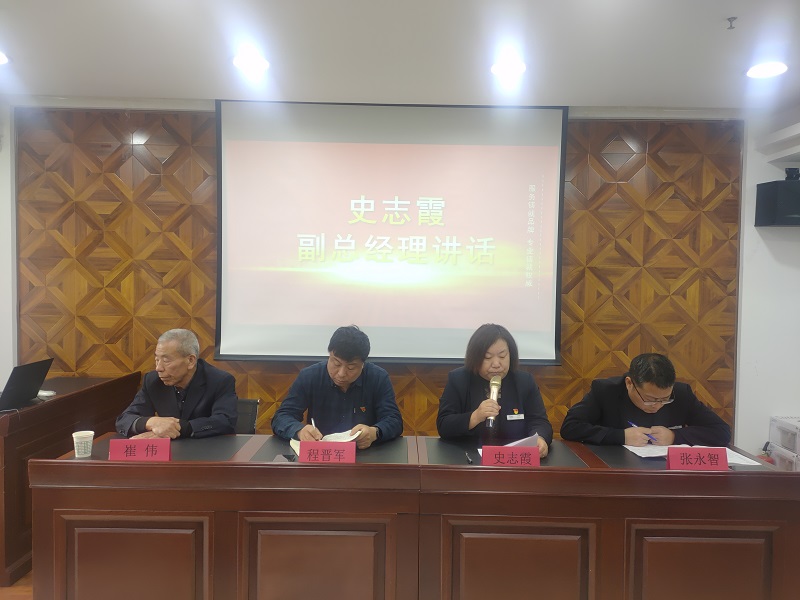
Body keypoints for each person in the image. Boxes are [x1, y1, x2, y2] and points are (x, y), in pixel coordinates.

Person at [271, 325, 402, 449]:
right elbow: (282, 417)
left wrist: (375, 432)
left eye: (351, 367)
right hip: (322, 453)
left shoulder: (378, 378)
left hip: (364, 453)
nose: (341, 374)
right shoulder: (309, 376)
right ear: (329, 355)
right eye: (336, 364)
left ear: (363, 364)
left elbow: (394, 420)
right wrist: (299, 430)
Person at [560, 352, 731, 446]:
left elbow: (721, 431)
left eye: (665, 399)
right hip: (615, 471)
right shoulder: (606, 391)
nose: (657, 406)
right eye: (650, 399)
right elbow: (570, 427)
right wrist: (620, 436)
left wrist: (674, 436)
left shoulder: (682, 394)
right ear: (629, 383)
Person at [436, 323, 553, 457]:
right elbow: (444, 425)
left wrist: (540, 438)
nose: (496, 364)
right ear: (475, 357)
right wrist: (475, 416)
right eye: (487, 357)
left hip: (513, 458)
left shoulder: (524, 382)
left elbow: (539, 421)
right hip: (468, 458)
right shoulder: (459, 380)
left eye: (502, 356)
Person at [116, 329, 238, 439]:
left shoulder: (220, 380)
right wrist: (151, 422)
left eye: (166, 360)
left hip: (207, 449)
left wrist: (179, 428)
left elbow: (225, 421)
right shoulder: (152, 381)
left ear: (190, 361)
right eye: (157, 359)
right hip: (169, 452)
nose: (158, 368)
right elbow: (124, 420)